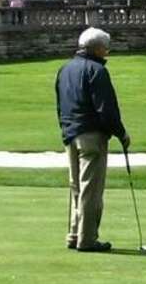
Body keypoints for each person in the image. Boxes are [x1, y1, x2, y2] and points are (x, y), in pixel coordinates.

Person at [55, 27, 130, 253]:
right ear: (96, 48)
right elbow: (106, 109)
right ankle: (87, 239)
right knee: (91, 189)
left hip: (71, 134)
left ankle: (74, 233)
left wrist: (66, 129)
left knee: (76, 186)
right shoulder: (97, 71)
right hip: (91, 136)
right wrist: (121, 133)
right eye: (105, 47)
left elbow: (60, 106)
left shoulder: (64, 69)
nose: (107, 52)